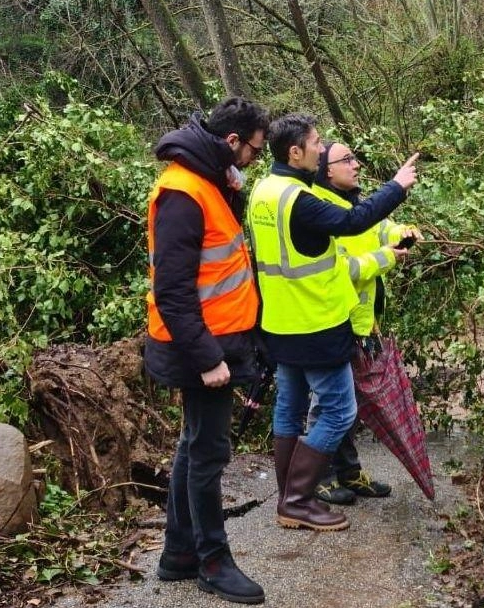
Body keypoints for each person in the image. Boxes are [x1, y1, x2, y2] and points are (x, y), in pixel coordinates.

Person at [246, 113, 418, 531]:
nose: (322, 151)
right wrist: (397, 187)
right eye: (317, 143)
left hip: (279, 321)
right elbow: (350, 222)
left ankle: (289, 496)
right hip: (316, 322)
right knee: (339, 413)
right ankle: (299, 500)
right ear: (295, 152)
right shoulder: (299, 199)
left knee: (289, 409)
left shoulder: (263, 190)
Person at [144, 97, 269, 605]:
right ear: (232, 142)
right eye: (255, 152)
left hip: (218, 340)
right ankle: (212, 561)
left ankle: (177, 554)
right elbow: (173, 291)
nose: (256, 161)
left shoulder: (208, 182)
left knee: (193, 444)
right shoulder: (183, 192)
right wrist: (209, 359)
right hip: (201, 349)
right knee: (208, 452)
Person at [309, 141, 421, 505]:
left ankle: (349, 472)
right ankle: (317, 477)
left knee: (349, 405)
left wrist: (404, 233)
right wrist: (386, 258)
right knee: (327, 405)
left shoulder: (354, 204)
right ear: (326, 169)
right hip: (333, 322)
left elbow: (381, 226)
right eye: (347, 160)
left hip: (360, 324)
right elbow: (344, 270)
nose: (356, 165)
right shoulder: (324, 212)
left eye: (355, 158)